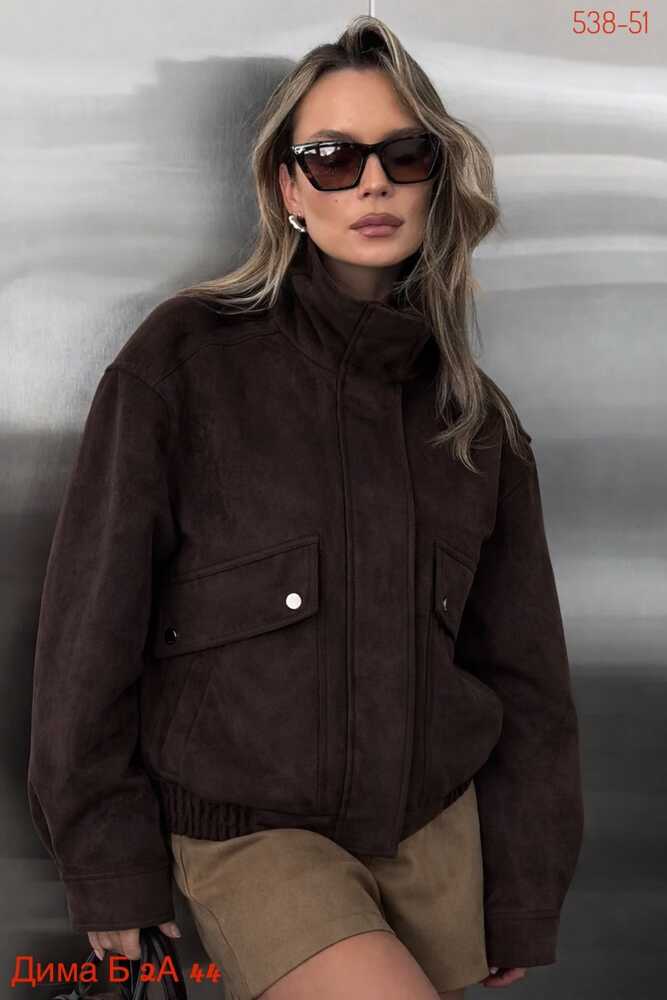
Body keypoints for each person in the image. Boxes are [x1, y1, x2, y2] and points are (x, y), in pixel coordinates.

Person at [26, 14, 584, 1000]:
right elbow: (90, 629)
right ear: (287, 188)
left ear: (435, 177)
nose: (371, 184)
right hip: (255, 838)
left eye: (402, 155)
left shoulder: (475, 420)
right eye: (332, 158)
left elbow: (525, 676)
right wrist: (107, 860)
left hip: (435, 841)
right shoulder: (186, 361)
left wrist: (523, 887)